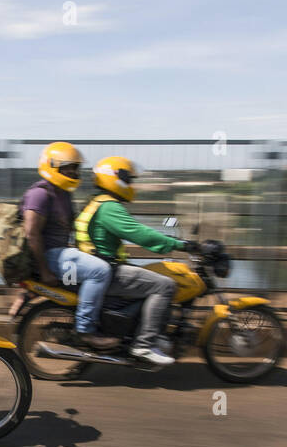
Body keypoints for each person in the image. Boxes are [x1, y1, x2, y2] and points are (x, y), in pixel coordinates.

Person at [75, 156, 197, 366]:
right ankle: (144, 344)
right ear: (115, 179)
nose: (131, 185)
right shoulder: (109, 207)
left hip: (100, 267)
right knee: (165, 285)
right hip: (107, 271)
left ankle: (139, 331)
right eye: (128, 180)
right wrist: (180, 245)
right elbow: (141, 235)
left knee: (152, 279)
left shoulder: (97, 202)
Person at [18, 142, 117, 351]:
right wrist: (44, 271)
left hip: (60, 255)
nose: (72, 172)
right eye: (67, 167)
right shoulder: (41, 194)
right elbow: (31, 233)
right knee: (100, 271)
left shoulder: (62, 193)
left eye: (75, 168)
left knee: (103, 268)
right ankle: (85, 331)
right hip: (50, 257)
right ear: (51, 166)